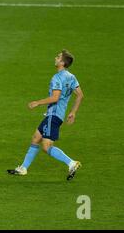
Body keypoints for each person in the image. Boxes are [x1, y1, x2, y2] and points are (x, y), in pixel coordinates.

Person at [7, 50, 84, 181]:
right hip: (57, 115)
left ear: (62, 62)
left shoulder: (57, 78)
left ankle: (71, 163)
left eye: (58, 57)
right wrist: (73, 112)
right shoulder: (71, 77)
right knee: (36, 137)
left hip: (53, 115)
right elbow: (80, 95)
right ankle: (23, 168)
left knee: (46, 146)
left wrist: (37, 102)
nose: (55, 58)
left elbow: (55, 97)